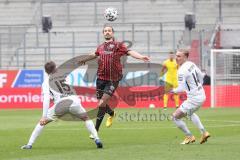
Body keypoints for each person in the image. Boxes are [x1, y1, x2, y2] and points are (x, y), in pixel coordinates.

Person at [78, 25, 150, 137]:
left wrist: (141, 57)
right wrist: (84, 60)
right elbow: (94, 54)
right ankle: (111, 113)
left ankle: (95, 131)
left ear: (112, 33)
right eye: (105, 31)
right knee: (101, 103)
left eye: (109, 31)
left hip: (113, 79)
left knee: (101, 103)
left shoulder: (118, 45)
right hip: (100, 78)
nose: (107, 32)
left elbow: (130, 52)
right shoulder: (100, 47)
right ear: (103, 33)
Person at [21, 61, 103, 149]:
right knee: (86, 118)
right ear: (55, 68)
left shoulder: (46, 83)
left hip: (60, 104)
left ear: (46, 72)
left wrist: (43, 116)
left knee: (42, 123)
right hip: (74, 101)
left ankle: (29, 144)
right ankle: (96, 138)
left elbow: (46, 100)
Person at [170, 49, 210, 144]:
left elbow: (181, 88)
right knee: (190, 113)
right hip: (201, 94)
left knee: (174, 117)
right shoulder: (191, 64)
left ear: (185, 57)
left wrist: (172, 90)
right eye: (176, 55)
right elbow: (201, 76)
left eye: (179, 56)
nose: (176, 58)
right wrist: (197, 86)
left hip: (194, 99)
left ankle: (189, 136)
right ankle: (204, 132)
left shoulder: (181, 71)